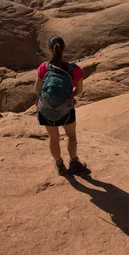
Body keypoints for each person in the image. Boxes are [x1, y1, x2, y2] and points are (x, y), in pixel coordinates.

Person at [35, 36, 88, 175]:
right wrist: (68, 97)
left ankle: (59, 165)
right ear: (63, 49)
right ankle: (74, 162)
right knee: (71, 135)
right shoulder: (74, 69)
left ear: (49, 49)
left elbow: (37, 88)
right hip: (66, 110)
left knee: (54, 138)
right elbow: (80, 90)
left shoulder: (44, 67)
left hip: (46, 109)